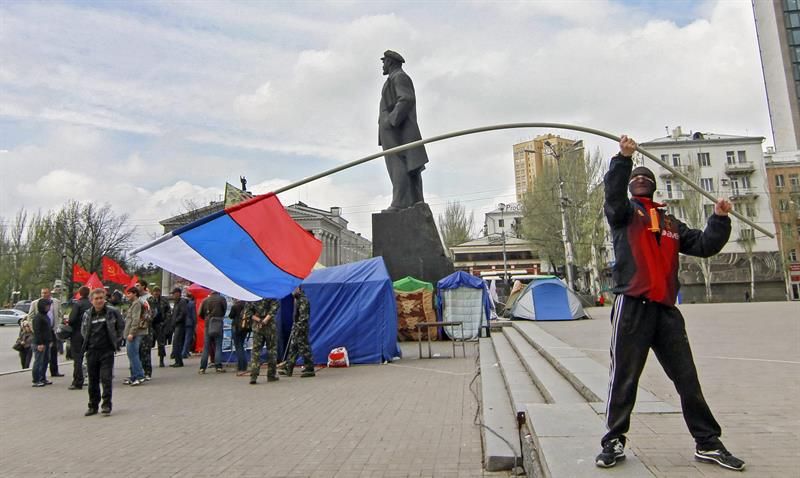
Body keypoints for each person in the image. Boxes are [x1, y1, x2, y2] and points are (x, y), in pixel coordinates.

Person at [596, 135, 745, 471]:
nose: (640, 181)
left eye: (645, 178)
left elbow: (704, 245)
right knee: (624, 377)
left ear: (653, 186)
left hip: (665, 311)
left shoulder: (670, 223)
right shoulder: (623, 215)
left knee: (687, 379)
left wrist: (719, 218)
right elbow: (613, 194)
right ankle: (613, 441)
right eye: (636, 178)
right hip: (632, 306)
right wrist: (623, 159)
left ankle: (708, 442)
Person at [378, 49, 429, 212]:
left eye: (384, 62)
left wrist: (391, 120)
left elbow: (406, 99)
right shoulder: (394, 78)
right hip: (396, 131)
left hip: (397, 131)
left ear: (390, 62)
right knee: (407, 166)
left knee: (397, 164)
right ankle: (415, 201)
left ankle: (400, 203)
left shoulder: (399, 77)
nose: (382, 65)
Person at [80, 288, 124, 416]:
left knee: (106, 378)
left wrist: (116, 341)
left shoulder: (112, 312)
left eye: (101, 298)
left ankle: (106, 405)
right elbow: (84, 330)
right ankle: (93, 406)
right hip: (92, 350)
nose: (99, 301)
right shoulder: (87, 314)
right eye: (96, 299)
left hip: (107, 351)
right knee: (93, 380)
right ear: (91, 301)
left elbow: (120, 327)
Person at [27, 288, 63, 378]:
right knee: (41, 357)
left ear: (50, 293)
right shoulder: (35, 303)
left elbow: (60, 314)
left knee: (52, 352)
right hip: (40, 331)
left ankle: (54, 371)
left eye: (46, 293)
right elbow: (30, 317)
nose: (44, 294)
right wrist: (33, 328)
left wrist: (58, 325)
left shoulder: (56, 302)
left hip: (52, 330)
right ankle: (39, 377)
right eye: (42, 293)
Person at [280, 287, 315, 378]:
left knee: (304, 348)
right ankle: (289, 368)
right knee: (293, 348)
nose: (292, 292)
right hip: (297, 327)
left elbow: (304, 317)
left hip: (301, 328)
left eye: (293, 289)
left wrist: (297, 327)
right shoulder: (297, 299)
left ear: (298, 289)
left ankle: (309, 368)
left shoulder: (303, 300)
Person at [246, 298, 280, 385]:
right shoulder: (270, 295)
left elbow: (248, 313)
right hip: (270, 326)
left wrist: (259, 320)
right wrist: (265, 320)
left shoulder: (253, 296)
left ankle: (253, 376)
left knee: (256, 351)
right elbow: (274, 308)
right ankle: (271, 375)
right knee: (272, 350)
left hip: (257, 326)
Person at [67, 286, 92, 390]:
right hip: (89, 333)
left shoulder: (78, 304)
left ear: (80, 293)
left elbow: (72, 319)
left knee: (78, 358)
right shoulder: (91, 304)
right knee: (90, 357)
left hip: (77, 333)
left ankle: (78, 381)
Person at [122, 287, 147, 386]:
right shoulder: (134, 303)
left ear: (135, 294)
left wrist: (132, 333)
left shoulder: (136, 304)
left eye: (129, 293)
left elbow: (135, 319)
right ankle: (134, 375)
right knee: (131, 355)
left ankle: (139, 376)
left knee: (133, 355)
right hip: (133, 333)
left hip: (135, 333)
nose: (127, 295)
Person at [198, 290, 227, 374]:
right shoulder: (222, 299)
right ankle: (218, 366)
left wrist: (207, 318)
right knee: (218, 345)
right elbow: (224, 311)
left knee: (206, 347)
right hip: (218, 323)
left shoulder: (205, 300)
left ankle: (202, 368)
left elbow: (200, 313)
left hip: (208, 324)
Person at [30, 298, 54, 387]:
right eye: (47, 306)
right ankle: (36, 379)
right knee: (38, 361)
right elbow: (37, 331)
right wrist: (40, 343)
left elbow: (48, 330)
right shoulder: (38, 317)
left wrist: (50, 340)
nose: (49, 307)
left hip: (46, 342)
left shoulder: (45, 316)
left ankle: (42, 378)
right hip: (39, 343)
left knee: (45, 361)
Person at [148, 286, 172, 368]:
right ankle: (147, 361)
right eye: (155, 291)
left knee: (161, 344)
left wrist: (165, 321)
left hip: (160, 324)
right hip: (151, 324)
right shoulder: (149, 300)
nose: (156, 293)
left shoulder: (164, 300)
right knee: (149, 343)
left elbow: (168, 311)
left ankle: (161, 360)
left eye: (157, 291)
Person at [229, 299, 249, 375]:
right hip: (244, 328)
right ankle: (245, 364)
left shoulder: (235, 306)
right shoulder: (246, 305)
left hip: (236, 327)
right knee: (241, 345)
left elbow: (231, 316)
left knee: (238, 347)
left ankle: (241, 366)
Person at [169, 288, 187, 367]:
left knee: (177, 343)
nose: (173, 295)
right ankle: (177, 360)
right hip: (176, 325)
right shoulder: (176, 302)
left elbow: (183, 313)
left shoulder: (182, 302)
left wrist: (176, 320)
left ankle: (179, 361)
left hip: (180, 325)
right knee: (176, 343)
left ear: (178, 293)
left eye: (174, 293)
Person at [182, 292, 196, 359]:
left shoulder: (182, 302)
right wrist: (195, 322)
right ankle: (184, 352)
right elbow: (193, 314)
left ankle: (185, 352)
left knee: (183, 338)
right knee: (188, 338)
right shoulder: (191, 303)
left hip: (183, 322)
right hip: (190, 323)